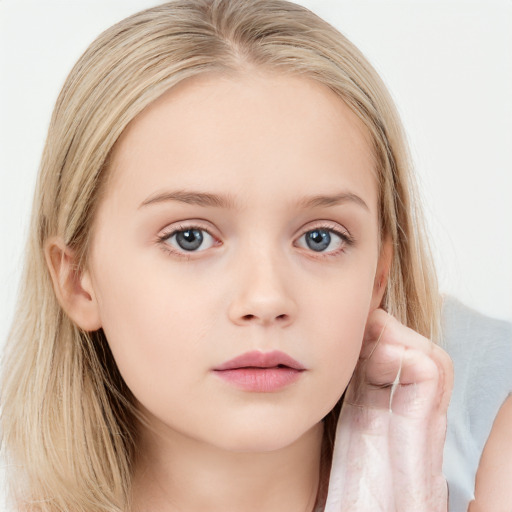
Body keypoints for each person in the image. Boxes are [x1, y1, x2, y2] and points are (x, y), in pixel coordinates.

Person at [0, 0, 505, 511]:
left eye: (320, 238)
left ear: (378, 273)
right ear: (78, 282)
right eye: (190, 237)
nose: (265, 299)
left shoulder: (494, 441)